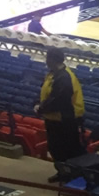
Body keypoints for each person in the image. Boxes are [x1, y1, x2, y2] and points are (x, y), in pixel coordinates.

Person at [36, 49, 86, 179]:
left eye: (47, 58)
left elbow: (59, 100)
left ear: (52, 60)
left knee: (65, 150)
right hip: (55, 119)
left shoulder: (63, 77)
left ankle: (71, 175)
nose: (45, 61)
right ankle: (63, 173)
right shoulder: (55, 74)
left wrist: (41, 108)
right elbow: (49, 94)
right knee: (56, 149)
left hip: (64, 120)